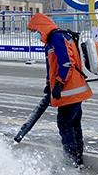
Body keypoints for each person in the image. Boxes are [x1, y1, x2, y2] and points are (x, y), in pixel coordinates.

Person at [27, 13, 92, 167]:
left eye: (37, 31)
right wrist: (49, 85)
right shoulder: (55, 39)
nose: (37, 34)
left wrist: (58, 85)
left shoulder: (56, 38)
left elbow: (66, 63)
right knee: (74, 124)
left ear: (42, 27)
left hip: (69, 90)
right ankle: (78, 158)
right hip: (75, 89)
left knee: (64, 124)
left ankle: (71, 161)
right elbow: (53, 66)